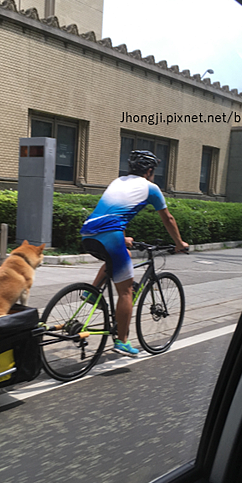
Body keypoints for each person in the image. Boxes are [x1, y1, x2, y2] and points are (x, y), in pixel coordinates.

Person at [80, 150, 189, 357]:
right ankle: (122, 341)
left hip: (88, 233)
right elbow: (168, 219)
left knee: (119, 257)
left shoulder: (118, 181)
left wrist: (123, 237)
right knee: (125, 291)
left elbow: (112, 212)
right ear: (149, 171)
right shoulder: (151, 188)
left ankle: (92, 293)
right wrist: (179, 243)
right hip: (110, 235)